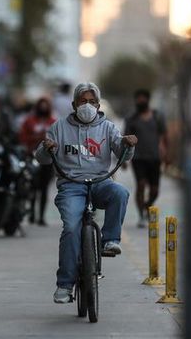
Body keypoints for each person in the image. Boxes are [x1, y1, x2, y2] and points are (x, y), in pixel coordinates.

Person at [35, 82, 137, 304]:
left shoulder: (108, 128)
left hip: (100, 182)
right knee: (71, 228)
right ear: (74, 104)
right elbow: (41, 158)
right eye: (83, 101)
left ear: (99, 104)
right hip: (71, 186)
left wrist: (128, 144)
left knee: (120, 192)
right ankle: (64, 285)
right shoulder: (58, 127)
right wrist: (46, 148)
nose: (88, 106)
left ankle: (109, 240)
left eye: (92, 102)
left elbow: (122, 153)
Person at [124, 89, 168, 228]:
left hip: (155, 158)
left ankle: (148, 206)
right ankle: (141, 215)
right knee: (141, 185)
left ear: (148, 100)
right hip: (138, 158)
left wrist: (165, 153)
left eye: (143, 98)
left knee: (154, 190)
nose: (141, 101)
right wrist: (124, 159)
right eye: (138, 99)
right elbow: (125, 138)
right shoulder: (132, 119)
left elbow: (163, 136)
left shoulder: (157, 116)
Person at [19, 97, 57, 226]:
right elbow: (22, 137)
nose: (43, 108)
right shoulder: (29, 121)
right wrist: (36, 138)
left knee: (44, 188)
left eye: (46, 106)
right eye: (41, 106)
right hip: (32, 156)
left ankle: (41, 216)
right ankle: (32, 215)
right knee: (33, 187)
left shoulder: (53, 122)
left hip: (48, 159)